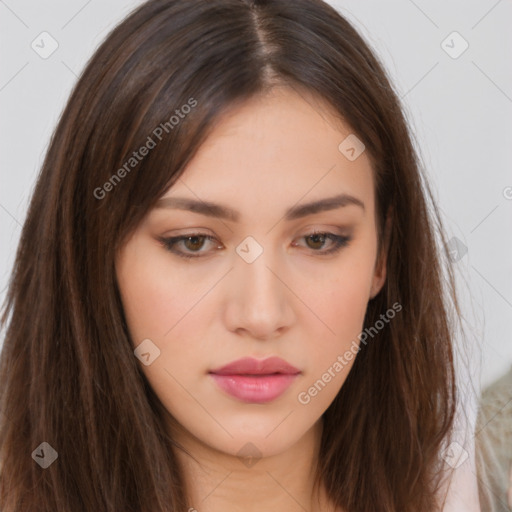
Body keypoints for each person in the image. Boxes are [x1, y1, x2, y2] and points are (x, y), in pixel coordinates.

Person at [0, 0, 473, 510]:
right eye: (193, 242)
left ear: (383, 254)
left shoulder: (478, 484)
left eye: (318, 239)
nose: (261, 315)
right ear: (96, 256)